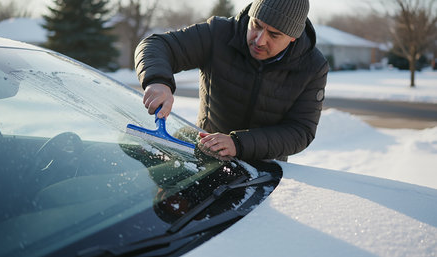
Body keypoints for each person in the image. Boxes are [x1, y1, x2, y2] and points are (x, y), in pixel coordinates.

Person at [135, 0, 329, 161]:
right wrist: (157, 80)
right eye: (257, 25)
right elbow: (155, 45)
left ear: (293, 38)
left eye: (274, 35)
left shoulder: (313, 68)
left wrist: (238, 143)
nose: (260, 40)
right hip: (202, 153)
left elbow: (300, 131)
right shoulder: (218, 33)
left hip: (264, 170)